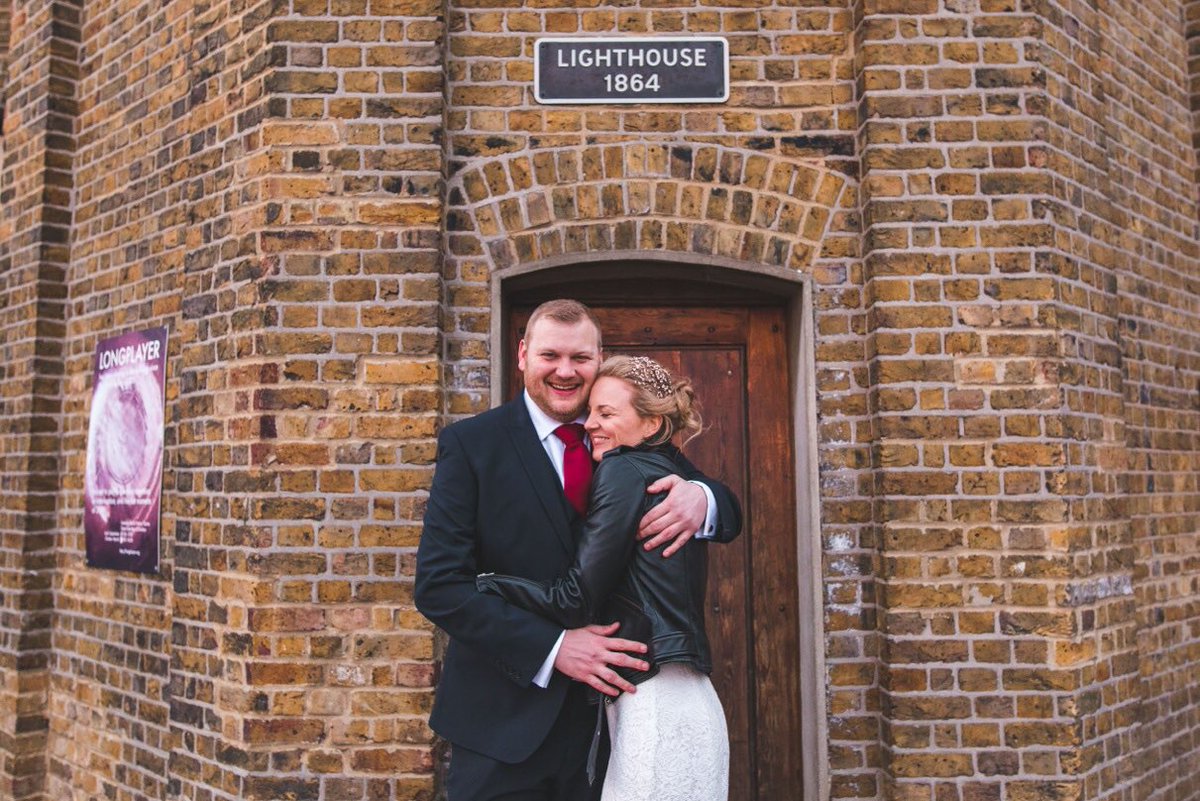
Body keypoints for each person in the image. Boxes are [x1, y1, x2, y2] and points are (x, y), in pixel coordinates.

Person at [415, 299, 741, 801]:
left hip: (606, 729)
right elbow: (440, 589)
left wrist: (704, 498)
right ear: (523, 355)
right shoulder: (471, 446)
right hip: (500, 728)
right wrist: (555, 648)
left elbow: (724, 508)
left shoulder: (624, 438)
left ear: (599, 359)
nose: (565, 371)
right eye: (550, 355)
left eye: (580, 359)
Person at [477, 354, 729, 801]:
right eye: (590, 411)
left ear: (650, 425)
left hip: (655, 707)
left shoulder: (622, 470)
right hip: (687, 702)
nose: (589, 423)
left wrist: (490, 582)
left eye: (606, 413)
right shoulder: (662, 470)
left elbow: (575, 598)